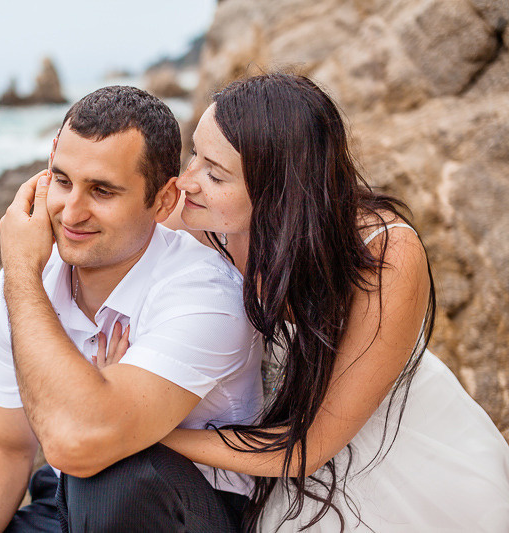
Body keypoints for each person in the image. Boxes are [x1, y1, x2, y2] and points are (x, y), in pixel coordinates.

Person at [97, 73, 509, 531]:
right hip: (263, 448)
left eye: (215, 173)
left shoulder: (384, 251)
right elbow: (93, 230)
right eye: (195, 152)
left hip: (377, 455)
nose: (187, 181)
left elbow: (310, 446)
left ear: (279, 192)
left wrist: (147, 428)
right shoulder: (197, 215)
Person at [0, 85, 264, 533]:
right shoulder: (28, 284)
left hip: (185, 510)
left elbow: (80, 443)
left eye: (102, 191)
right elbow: (7, 446)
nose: (71, 212)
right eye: (62, 181)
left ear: (163, 201)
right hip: (66, 504)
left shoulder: (207, 295)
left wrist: (21, 273)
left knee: (116, 468)